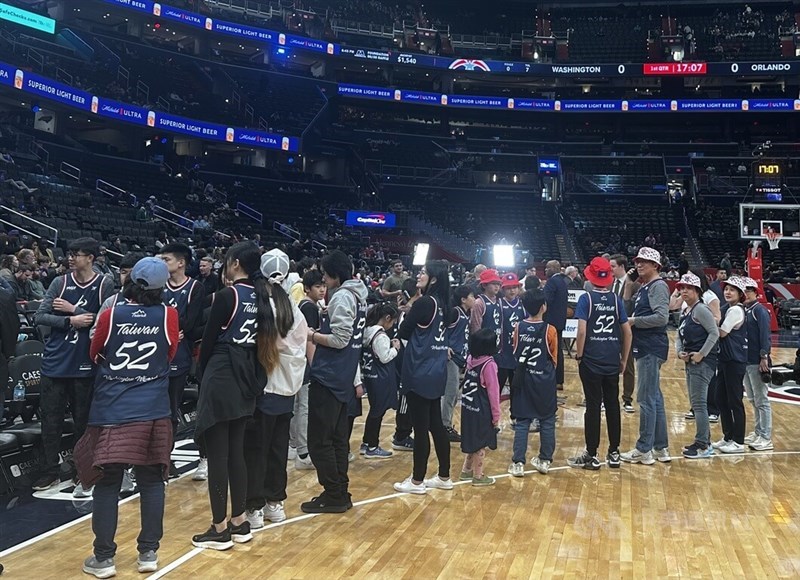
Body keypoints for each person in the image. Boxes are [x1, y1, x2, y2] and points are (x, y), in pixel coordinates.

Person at [75, 258, 178, 578]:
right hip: (153, 410)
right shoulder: (168, 314)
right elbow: (170, 353)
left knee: (107, 484)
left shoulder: (110, 314)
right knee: (152, 481)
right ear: (162, 288)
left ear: (130, 281)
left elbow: (95, 353)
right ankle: (148, 553)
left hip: (112, 409)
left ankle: (103, 558)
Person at [192, 242, 266, 550]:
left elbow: (206, 340)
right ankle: (240, 521)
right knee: (237, 452)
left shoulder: (227, 296)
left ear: (235, 263)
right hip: (248, 371)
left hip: (222, 371)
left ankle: (219, 528)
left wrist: (199, 373)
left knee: (218, 455)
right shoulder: (262, 296)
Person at [33, 238, 115, 494]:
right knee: (51, 420)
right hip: (56, 362)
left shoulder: (104, 283)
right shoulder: (60, 282)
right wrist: (71, 320)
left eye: (76, 254)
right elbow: (39, 316)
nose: (71, 258)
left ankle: (84, 470)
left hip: (85, 363)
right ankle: (50, 471)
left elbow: (106, 320)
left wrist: (73, 309)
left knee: (84, 421)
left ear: (90, 257)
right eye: (69, 254)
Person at [245, 249, 308, 530]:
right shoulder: (290, 306)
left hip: (264, 387)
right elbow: (298, 345)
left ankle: (254, 505)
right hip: (286, 391)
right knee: (278, 449)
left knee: (256, 450)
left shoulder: (257, 301)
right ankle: (275, 503)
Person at [303, 250, 367, 513]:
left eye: (326, 276)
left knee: (319, 441)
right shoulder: (358, 295)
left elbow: (340, 339)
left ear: (335, 275)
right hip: (344, 376)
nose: (324, 281)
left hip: (329, 375)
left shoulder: (341, 296)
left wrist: (313, 335)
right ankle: (340, 491)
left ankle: (334, 494)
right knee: (338, 439)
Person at [393, 260, 455, 495]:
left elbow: (404, 331)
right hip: (437, 369)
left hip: (419, 370)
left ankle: (417, 480)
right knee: (435, 425)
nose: (419, 275)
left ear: (434, 279)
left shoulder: (425, 303)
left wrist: (409, 307)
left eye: (423, 272)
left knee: (420, 428)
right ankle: (444, 476)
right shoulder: (444, 303)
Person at [568, 257, 631, 470]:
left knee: (593, 406)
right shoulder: (616, 300)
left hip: (592, 361)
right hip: (612, 361)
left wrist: (579, 354)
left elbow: (582, 330)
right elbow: (627, 331)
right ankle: (614, 452)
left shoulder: (586, 298)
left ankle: (592, 455)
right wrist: (623, 358)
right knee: (613, 405)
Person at [621, 247, 671, 466]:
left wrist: (633, 322)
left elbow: (661, 318)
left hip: (651, 347)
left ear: (655, 266)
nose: (639, 265)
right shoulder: (645, 286)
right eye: (637, 262)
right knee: (655, 398)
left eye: (644, 262)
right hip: (647, 346)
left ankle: (644, 449)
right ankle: (661, 447)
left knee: (646, 399)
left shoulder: (658, 286)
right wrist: (630, 282)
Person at [159, 244, 205, 478]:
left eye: (165, 259)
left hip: (179, 355)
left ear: (181, 263)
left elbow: (191, 322)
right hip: (153, 353)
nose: (161, 263)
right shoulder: (156, 285)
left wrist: (170, 328)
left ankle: (166, 458)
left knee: (170, 409)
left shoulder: (195, 287)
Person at [507, 289, 558, 477]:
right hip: (544, 380)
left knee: (522, 422)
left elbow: (515, 350)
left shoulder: (518, 327)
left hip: (524, 379)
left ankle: (518, 463)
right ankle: (545, 460)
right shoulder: (550, 329)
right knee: (547, 420)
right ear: (543, 306)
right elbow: (554, 357)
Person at [674, 273, 720, 459]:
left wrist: (702, 353)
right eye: (682, 288)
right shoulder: (686, 311)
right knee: (696, 404)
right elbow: (678, 335)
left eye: (688, 288)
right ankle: (703, 441)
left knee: (700, 405)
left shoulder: (701, 309)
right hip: (691, 361)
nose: (684, 291)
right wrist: (679, 353)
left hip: (703, 363)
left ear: (697, 291)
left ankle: (703, 445)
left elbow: (714, 333)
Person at [289, 269, 326, 470]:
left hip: (296, 361)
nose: (322, 290)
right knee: (304, 406)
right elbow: (309, 339)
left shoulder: (306, 305)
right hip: (304, 362)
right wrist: (315, 365)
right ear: (307, 289)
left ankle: (294, 445)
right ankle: (303, 452)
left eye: (323, 286)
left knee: (297, 406)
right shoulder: (309, 308)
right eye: (317, 287)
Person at [459, 328, 501, 486]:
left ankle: (466, 471)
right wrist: (496, 416)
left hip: (467, 407)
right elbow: (494, 392)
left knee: (472, 440)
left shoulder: (470, 359)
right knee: (481, 443)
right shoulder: (489, 365)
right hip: (481, 409)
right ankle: (478, 475)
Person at [712, 276, 749, 454]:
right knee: (720, 398)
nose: (727, 292)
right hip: (726, 360)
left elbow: (723, 333)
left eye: (732, 290)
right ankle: (728, 436)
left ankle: (739, 441)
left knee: (735, 401)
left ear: (740, 294)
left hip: (735, 361)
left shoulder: (736, 310)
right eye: (726, 289)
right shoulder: (728, 308)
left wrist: (708, 323)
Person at [360, 301, 401, 458]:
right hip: (381, 378)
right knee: (378, 411)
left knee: (375, 410)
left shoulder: (367, 330)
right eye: (393, 321)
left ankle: (366, 442)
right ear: (387, 318)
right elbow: (385, 357)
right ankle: (372, 446)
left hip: (370, 375)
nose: (393, 325)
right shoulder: (380, 334)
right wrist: (395, 349)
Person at [742, 277, 773, 451]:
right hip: (746, 360)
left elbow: (765, 335)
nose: (745, 293)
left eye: (749, 290)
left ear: (756, 292)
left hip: (757, 360)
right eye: (744, 291)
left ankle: (766, 437)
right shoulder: (746, 310)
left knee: (762, 399)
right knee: (753, 399)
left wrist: (764, 357)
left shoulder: (759, 310)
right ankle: (758, 431)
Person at [442, 285, 474, 442]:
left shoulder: (465, 314)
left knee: (454, 394)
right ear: (463, 299)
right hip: (451, 358)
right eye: (471, 296)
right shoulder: (455, 312)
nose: (474, 299)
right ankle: (444, 426)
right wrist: (445, 346)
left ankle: (444, 423)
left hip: (460, 357)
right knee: (450, 393)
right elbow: (440, 329)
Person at [610, 254, 638, 413]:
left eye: (613, 266)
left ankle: (627, 399)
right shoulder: (610, 284)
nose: (610, 269)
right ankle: (608, 397)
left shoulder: (634, 285)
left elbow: (629, 309)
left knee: (628, 366)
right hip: (610, 331)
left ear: (622, 267)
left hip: (627, 331)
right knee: (609, 365)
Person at [497, 273, 525, 400]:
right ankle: (491, 417)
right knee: (497, 387)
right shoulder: (499, 304)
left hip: (517, 354)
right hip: (502, 353)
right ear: (503, 290)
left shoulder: (523, 305)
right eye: (508, 288)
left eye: (514, 287)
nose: (512, 290)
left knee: (517, 389)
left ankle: (516, 416)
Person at [543, 260, 568, 391]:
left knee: (551, 351)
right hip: (560, 321)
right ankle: (559, 380)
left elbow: (546, 301)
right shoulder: (563, 282)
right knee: (558, 351)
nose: (545, 270)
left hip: (551, 322)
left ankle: (553, 379)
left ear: (554, 268)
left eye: (547, 268)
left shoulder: (552, 282)